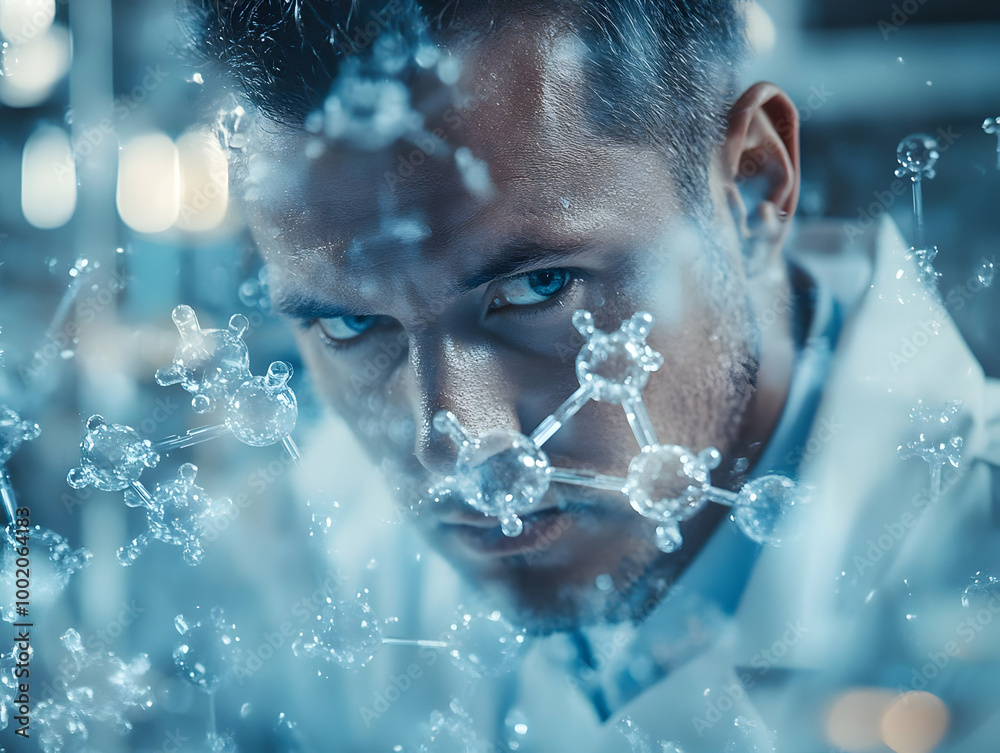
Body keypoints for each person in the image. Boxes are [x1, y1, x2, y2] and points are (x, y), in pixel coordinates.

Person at [186, 1, 1000, 750]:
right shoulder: (309, 556)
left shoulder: (968, 596)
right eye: (350, 324)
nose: (460, 445)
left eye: (539, 286)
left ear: (752, 187)